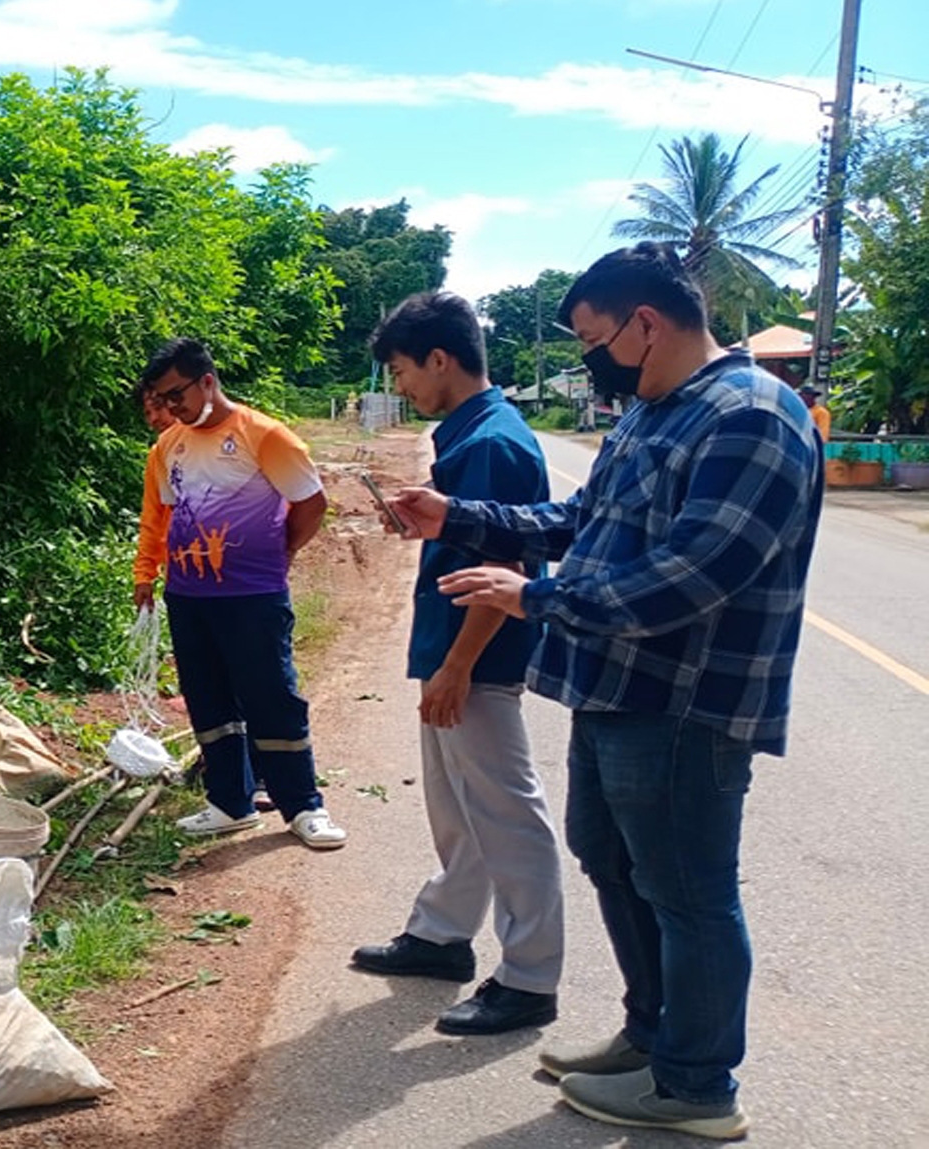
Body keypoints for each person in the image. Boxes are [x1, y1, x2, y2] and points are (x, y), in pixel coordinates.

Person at [391, 244, 821, 1140]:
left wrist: (535, 597)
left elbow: (693, 575)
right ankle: (651, 1035)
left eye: (592, 339)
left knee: (687, 890)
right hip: (615, 687)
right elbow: (580, 522)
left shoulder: (752, 415)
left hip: (685, 703)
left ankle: (698, 1084)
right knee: (612, 859)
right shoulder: (652, 412)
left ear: (646, 324)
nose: (591, 358)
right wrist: (459, 516)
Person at [351, 293, 565, 1037]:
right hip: (450, 648)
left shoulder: (493, 444)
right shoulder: (469, 433)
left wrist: (459, 665)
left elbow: (504, 561)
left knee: (506, 812)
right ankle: (442, 933)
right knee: (459, 806)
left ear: (441, 358)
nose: (401, 386)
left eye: (404, 370)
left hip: (474, 657)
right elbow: (468, 538)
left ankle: (531, 976)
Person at [133, 338, 346, 848]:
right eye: (161, 399)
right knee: (208, 700)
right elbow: (159, 518)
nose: (169, 408)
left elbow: (311, 504)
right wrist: (145, 574)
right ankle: (230, 802)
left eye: (175, 394)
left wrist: (280, 554)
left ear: (207, 381)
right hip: (189, 595)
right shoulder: (168, 446)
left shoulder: (266, 437)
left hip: (253, 595)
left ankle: (303, 805)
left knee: (271, 696)